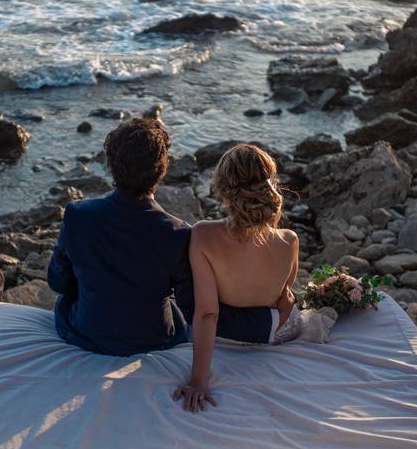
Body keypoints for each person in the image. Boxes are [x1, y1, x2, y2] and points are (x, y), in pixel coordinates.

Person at [47, 118, 294, 357]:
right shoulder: (178, 233)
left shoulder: (78, 214)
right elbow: (196, 309)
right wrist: (269, 319)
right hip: (154, 339)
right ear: (162, 171)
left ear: (110, 164)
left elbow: (58, 282)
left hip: (87, 334)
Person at [173, 144, 300, 413]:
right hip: (273, 333)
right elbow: (284, 298)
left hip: (223, 336)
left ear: (223, 190)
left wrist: (198, 380)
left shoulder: (203, 235)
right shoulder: (289, 240)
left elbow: (208, 313)